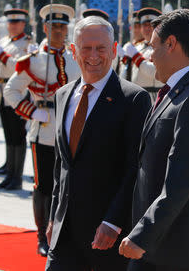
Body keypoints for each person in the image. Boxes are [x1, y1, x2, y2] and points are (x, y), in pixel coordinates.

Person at [119, 9, 189, 271]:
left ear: (171, 44)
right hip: (163, 240)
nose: (149, 55)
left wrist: (142, 234)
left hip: (183, 245)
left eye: (153, 47)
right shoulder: (179, 91)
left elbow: (181, 179)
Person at [45, 16, 151, 270]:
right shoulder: (63, 95)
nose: (94, 55)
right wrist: (53, 218)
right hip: (64, 231)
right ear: (73, 51)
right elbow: (62, 165)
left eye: (101, 48)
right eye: (86, 48)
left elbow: (134, 168)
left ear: (114, 50)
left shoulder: (133, 99)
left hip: (106, 235)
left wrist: (113, 222)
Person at [4, 4, 81, 256]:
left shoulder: (76, 58)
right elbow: (11, 91)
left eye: (62, 26)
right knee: (44, 185)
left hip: (71, 128)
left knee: (68, 184)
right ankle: (42, 235)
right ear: (44, 27)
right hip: (44, 129)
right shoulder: (33, 60)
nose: (58, 30)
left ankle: (64, 230)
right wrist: (31, 111)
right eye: (53, 26)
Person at [0, 8, 34, 190]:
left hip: (18, 91)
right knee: (8, 134)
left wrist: (2, 55)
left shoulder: (27, 44)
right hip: (3, 90)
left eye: (16, 23)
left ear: (23, 24)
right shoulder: (5, 41)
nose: (12, 26)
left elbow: (19, 66)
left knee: (17, 135)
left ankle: (16, 176)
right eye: (10, 23)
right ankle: (10, 172)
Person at [122, 7, 164, 97]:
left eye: (151, 25)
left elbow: (155, 72)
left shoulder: (162, 47)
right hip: (135, 95)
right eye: (144, 25)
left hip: (152, 96)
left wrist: (136, 57)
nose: (147, 28)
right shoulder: (137, 47)